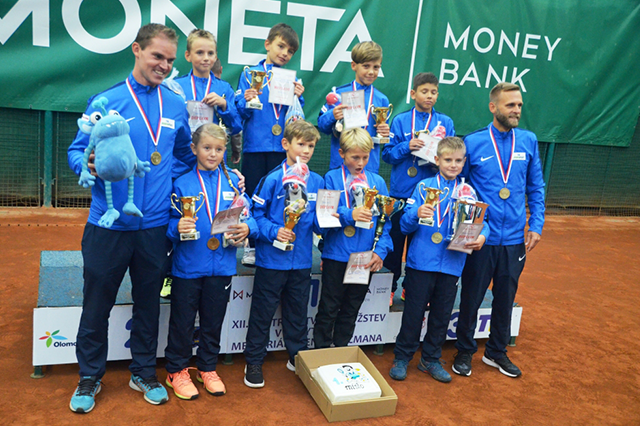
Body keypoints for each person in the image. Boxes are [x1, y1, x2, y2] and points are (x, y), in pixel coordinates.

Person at [67, 23, 194, 413]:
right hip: (108, 226)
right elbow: (76, 150)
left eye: (170, 60)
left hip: (154, 227)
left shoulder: (176, 104)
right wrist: (86, 164)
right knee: (96, 304)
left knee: (148, 304)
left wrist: (187, 179)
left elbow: (183, 155)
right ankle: (90, 375)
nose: (164, 66)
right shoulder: (108, 100)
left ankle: (142, 372)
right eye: (157, 56)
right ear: (137, 50)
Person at [452, 82, 545, 378]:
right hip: (483, 238)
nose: (516, 110)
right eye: (510, 105)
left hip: (515, 237)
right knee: (472, 296)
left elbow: (536, 187)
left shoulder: (528, 140)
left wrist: (536, 224)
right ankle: (464, 350)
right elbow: (462, 189)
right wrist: (469, 229)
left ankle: (496, 351)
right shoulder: (474, 142)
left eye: (519, 105)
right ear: (493, 107)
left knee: (505, 297)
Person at [164, 124, 258, 400]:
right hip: (188, 267)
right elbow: (168, 224)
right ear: (194, 149)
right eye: (207, 148)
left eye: (219, 149)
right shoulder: (181, 183)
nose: (213, 154)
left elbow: (249, 214)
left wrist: (248, 228)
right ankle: (176, 370)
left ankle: (207, 367)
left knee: (213, 320)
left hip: (223, 266)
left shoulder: (233, 183)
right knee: (182, 322)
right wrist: (176, 227)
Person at [388, 137, 488, 383]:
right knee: (413, 312)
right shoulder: (423, 187)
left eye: (458, 161)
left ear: (464, 162)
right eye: (448, 160)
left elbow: (481, 221)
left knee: (442, 315)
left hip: (452, 263)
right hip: (421, 262)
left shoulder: (468, 192)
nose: (453, 165)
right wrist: (416, 213)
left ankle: (430, 358)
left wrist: (482, 236)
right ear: (437, 160)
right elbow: (404, 225)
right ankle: (402, 357)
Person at [243, 120, 323, 388]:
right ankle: (254, 361)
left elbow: (319, 223)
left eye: (311, 146)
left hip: (301, 261)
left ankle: (297, 357)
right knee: (262, 313)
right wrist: (275, 231)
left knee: (297, 312)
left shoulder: (317, 181)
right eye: (301, 144)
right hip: (272, 261)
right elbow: (255, 216)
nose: (306, 150)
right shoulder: (272, 179)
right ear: (285, 144)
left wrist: (328, 220)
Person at [313, 128, 392, 349]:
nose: (360, 163)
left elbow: (385, 223)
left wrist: (380, 251)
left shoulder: (377, 182)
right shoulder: (330, 178)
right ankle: (320, 353)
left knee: (351, 309)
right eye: (355, 157)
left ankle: (340, 352)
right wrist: (350, 215)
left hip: (364, 258)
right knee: (328, 308)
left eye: (365, 157)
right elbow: (322, 218)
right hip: (336, 255)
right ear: (342, 153)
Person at [382, 72, 456, 304]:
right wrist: (407, 146)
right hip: (401, 194)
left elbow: (452, 155)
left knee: (421, 245)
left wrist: (438, 160)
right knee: (395, 245)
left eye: (434, 92)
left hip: (432, 197)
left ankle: (411, 289)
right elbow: (387, 155)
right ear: (413, 93)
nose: (429, 96)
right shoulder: (400, 120)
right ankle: (388, 289)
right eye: (424, 91)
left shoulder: (445, 123)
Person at [235, 23, 305, 266]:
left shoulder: (293, 80)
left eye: (290, 51)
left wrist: (299, 96)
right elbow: (239, 113)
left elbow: (295, 118)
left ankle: (276, 241)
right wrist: (246, 100)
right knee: (253, 197)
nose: (285, 53)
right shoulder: (249, 74)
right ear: (267, 44)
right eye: (281, 46)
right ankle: (252, 246)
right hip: (255, 147)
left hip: (282, 149)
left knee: (279, 198)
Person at [173, 29, 242, 179]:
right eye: (199, 53)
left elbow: (236, 126)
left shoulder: (224, 89)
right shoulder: (176, 87)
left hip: (213, 162)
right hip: (181, 165)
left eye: (210, 53)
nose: (206, 58)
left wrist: (224, 105)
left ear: (216, 56)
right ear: (188, 55)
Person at [317, 41, 390, 173]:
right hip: (341, 166)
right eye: (366, 66)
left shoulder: (382, 100)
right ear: (353, 65)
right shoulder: (339, 94)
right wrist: (332, 115)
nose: (371, 72)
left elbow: (383, 134)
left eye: (376, 67)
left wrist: (384, 131)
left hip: (369, 167)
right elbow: (322, 126)